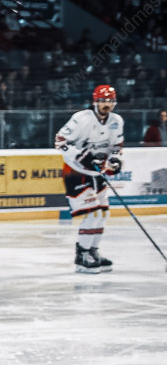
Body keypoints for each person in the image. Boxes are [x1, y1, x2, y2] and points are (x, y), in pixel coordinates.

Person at [55, 84, 124, 273]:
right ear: (95, 101)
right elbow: (60, 141)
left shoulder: (116, 120)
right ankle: (82, 255)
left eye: (110, 101)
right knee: (93, 214)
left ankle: (93, 251)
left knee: (103, 214)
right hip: (76, 172)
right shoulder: (81, 119)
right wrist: (80, 155)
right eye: (102, 100)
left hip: (97, 173)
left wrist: (115, 159)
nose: (106, 104)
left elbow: (116, 146)